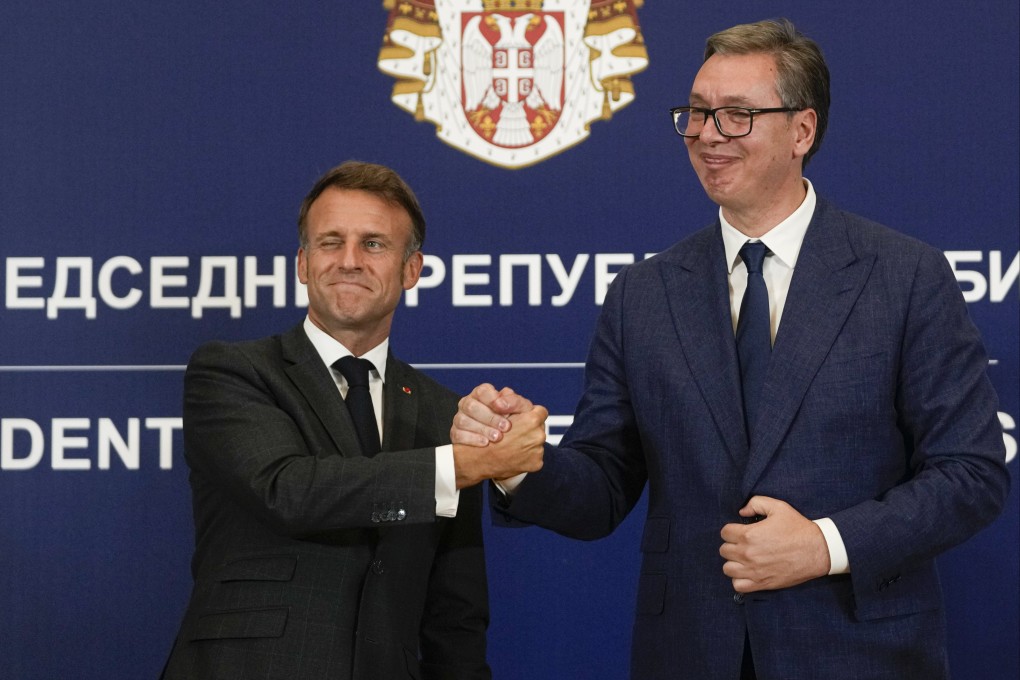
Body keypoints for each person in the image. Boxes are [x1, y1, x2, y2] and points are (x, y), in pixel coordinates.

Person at [452, 18, 1010, 680]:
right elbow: (603, 485)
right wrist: (520, 462)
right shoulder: (643, 295)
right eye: (696, 113)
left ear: (801, 131)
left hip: (860, 655)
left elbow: (970, 473)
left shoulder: (905, 277)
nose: (707, 135)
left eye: (736, 116)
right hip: (690, 653)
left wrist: (824, 545)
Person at [162, 161, 545, 680]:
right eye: (329, 242)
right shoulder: (233, 372)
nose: (349, 261)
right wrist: (457, 466)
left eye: (373, 244)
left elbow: (454, 616)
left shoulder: (442, 414)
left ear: (411, 270)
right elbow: (288, 490)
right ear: (302, 262)